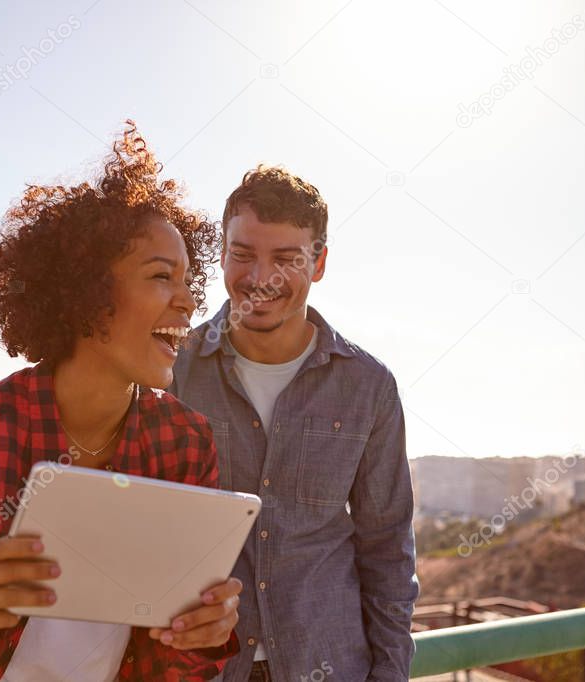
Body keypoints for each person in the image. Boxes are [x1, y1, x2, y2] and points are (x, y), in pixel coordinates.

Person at [0, 123, 241, 681]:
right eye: (161, 276)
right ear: (87, 292)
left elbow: (175, 669)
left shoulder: (185, 441)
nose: (188, 301)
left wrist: (201, 637)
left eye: (187, 281)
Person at [170, 166, 419, 681]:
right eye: (243, 255)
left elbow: (387, 551)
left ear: (319, 262)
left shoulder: (369, 387)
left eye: (285, 259)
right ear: (221, 253)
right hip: (200, 671)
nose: (260, 279)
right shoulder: (174, 368)